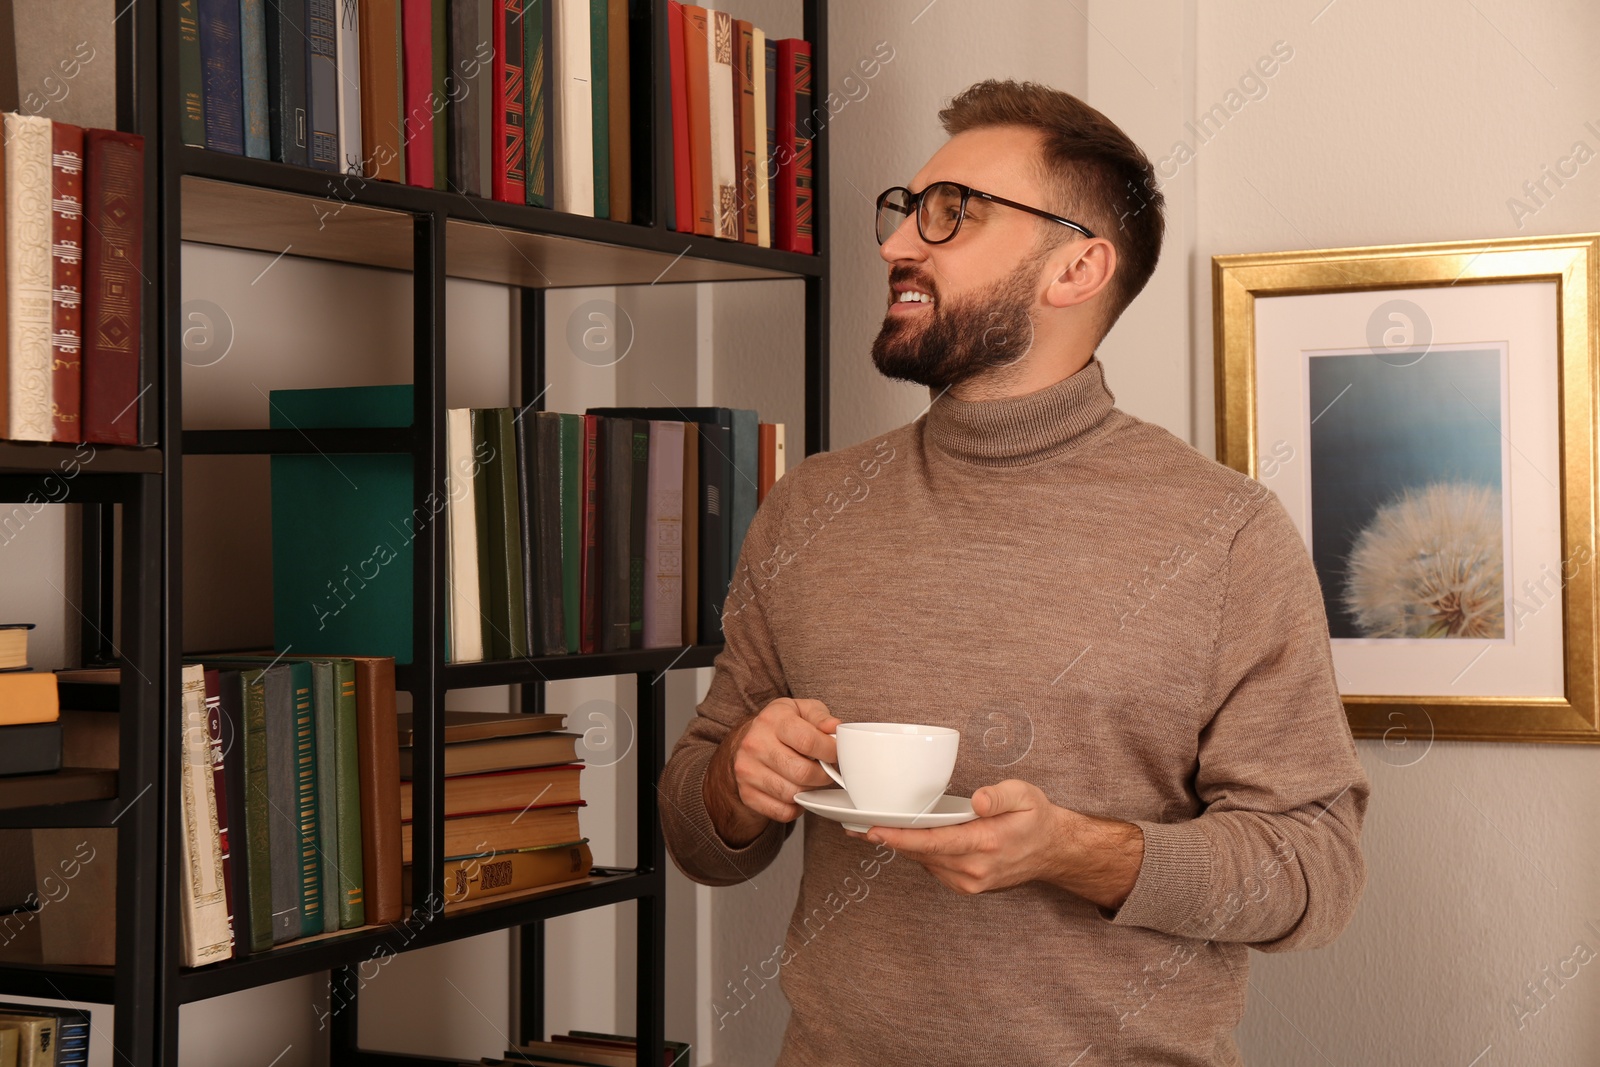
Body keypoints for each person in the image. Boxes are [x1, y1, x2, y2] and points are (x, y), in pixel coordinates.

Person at [658, 79, 1369, 1067]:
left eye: (951, 213)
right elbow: (695, 834)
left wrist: (1077, 852)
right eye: (904, 211)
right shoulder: (808, 507)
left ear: (1076, 266)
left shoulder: (1225, 531)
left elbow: (1313, 870)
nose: (897, 244)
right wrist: (739, 775)